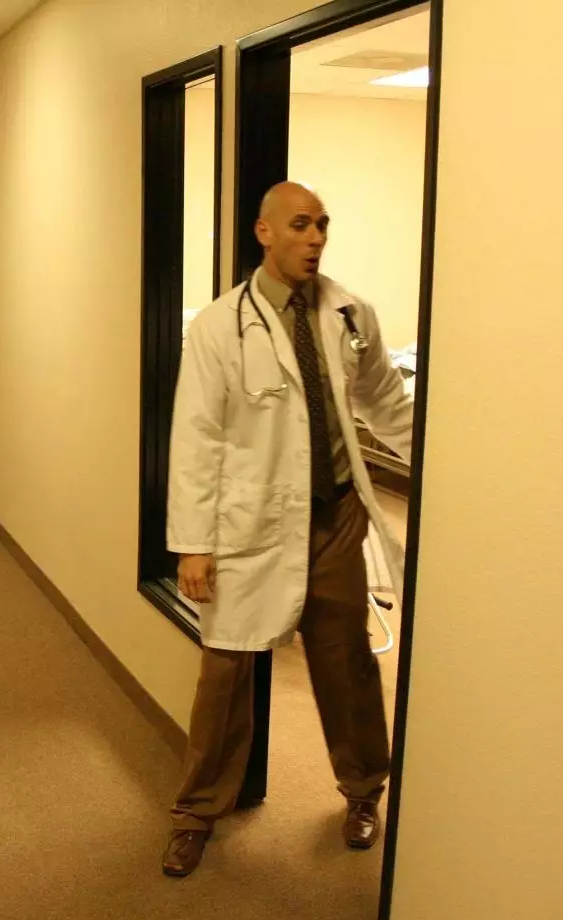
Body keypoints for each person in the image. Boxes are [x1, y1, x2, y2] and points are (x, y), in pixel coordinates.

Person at [161, 181, 414, 877]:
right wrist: (194, 544)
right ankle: (195, 811)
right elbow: (196, 437)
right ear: (264, 232)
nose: (316, 237)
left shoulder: (349, 314)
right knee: (226, 671)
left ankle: (363, 790)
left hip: (334, 516)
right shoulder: (219, 326)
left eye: (323, 224)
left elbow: (387, 403)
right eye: (301, 224)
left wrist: (444, 472)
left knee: (347, 661)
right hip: (251, 522)